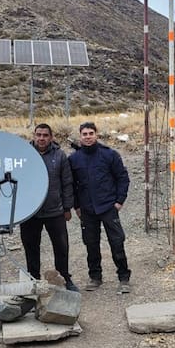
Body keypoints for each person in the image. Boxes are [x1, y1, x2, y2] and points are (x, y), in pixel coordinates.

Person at [68, 121, 132, 294]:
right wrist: (76, 206)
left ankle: (124, 277)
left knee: (117, 242)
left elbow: (122, 178)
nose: (88, 137)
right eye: (85, 134)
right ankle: (95, 277)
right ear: (80, 136)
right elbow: (71, 185)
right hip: (87, 209)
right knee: (91, 244)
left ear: (96, 134)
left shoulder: (109, 155)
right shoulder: (74, 159)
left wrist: (119, 201)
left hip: (108, 206)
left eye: (91, 133)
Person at [19, 124, 78, 292]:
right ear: (34, 136)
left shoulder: (59, 156)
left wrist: (67, 207)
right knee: (31, 247)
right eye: (38, 135)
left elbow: (67, 183)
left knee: (61, 247)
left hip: (54, 210)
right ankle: (34, 280)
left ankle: (64, 278)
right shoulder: (24, 155)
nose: (41, 138)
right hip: (30, 212)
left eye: (45, 135)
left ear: (51, 137)